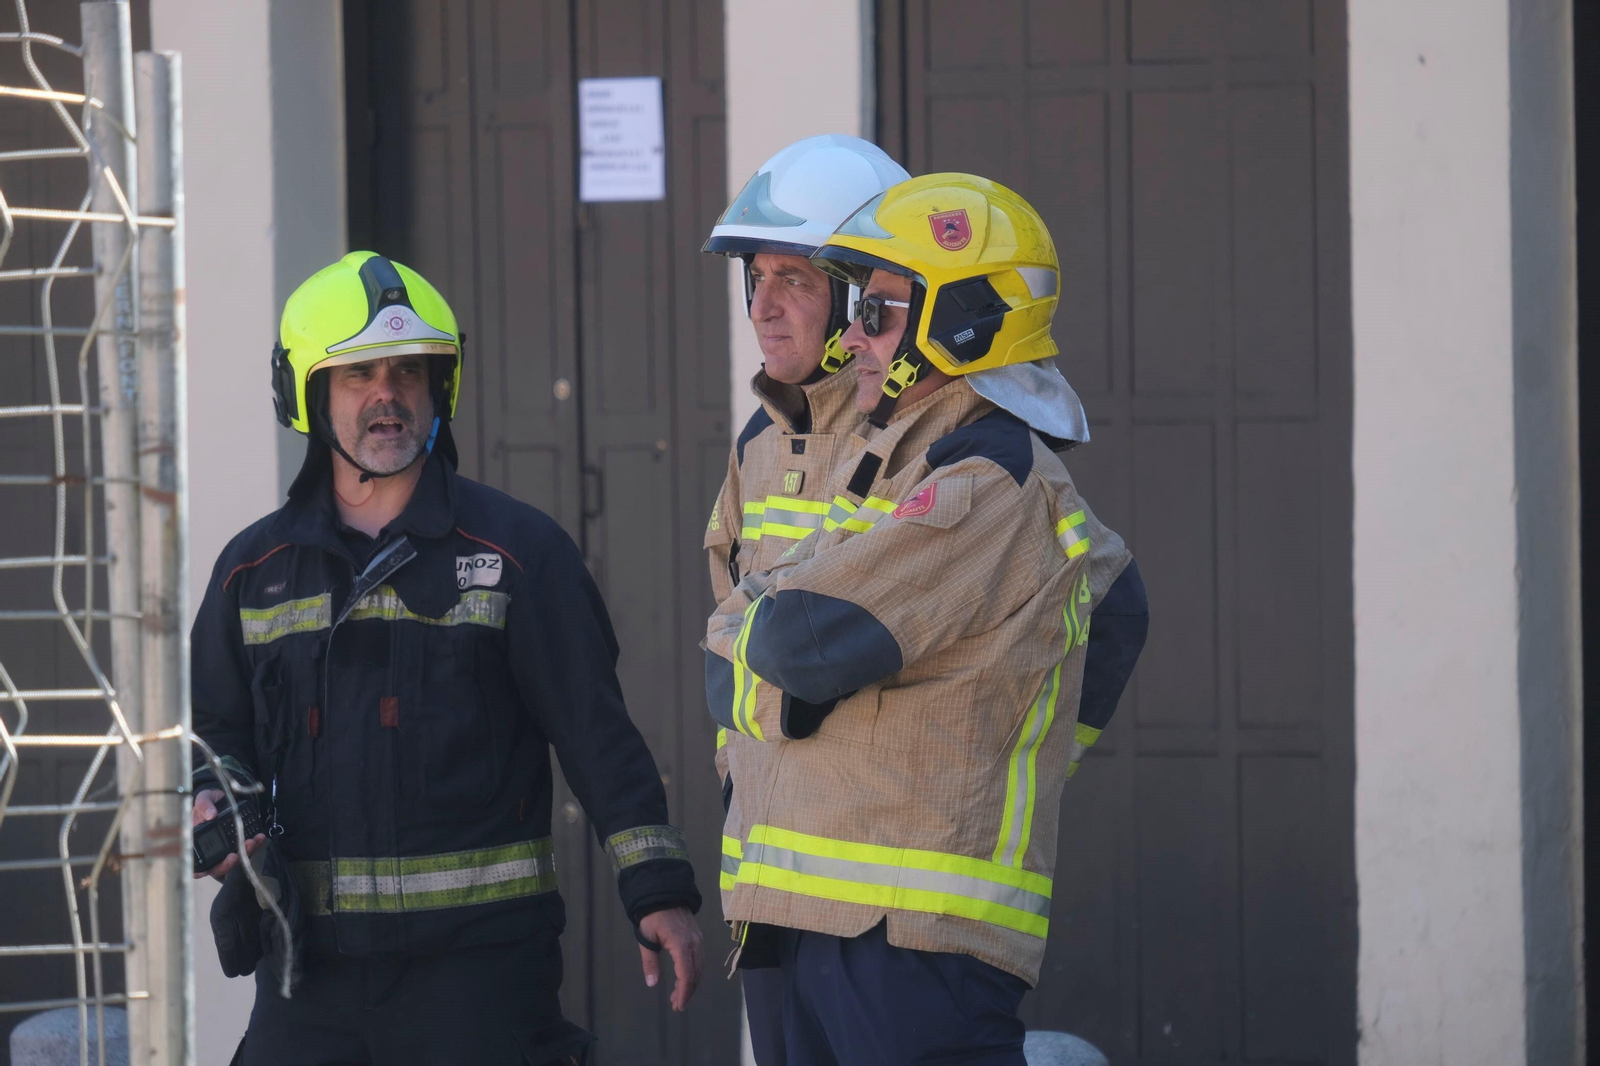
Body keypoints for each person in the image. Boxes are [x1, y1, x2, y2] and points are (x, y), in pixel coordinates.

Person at [190, 252, 703, 1066]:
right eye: (359, 374)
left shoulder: (517, 553)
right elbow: (217, 737)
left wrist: (659, 891)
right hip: (307, 981)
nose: (387, 394)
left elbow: (597, 735)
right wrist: (223, 825)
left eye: (408, 373)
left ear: (439, 390)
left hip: (480, 985)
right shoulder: (252, 573)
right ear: (308, 394)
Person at [705, 174, 1149, 1065]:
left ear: (965, 321)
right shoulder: (899, 459)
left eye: (878, 311)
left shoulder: (987, 478)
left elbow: (800, 638)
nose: (855, 337)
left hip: (906, 931)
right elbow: (735, 666)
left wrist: (1002, 745)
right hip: (810, 913)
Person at [700, 134, 908, 1063]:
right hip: (771, 886)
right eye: (757, 277)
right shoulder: (759, 437)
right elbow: (724, 643)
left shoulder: (928, 436)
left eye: (797, 279)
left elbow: (1101, 600)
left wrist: (1018, 765)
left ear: (865, 296)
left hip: (885, 905)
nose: (765, 307)